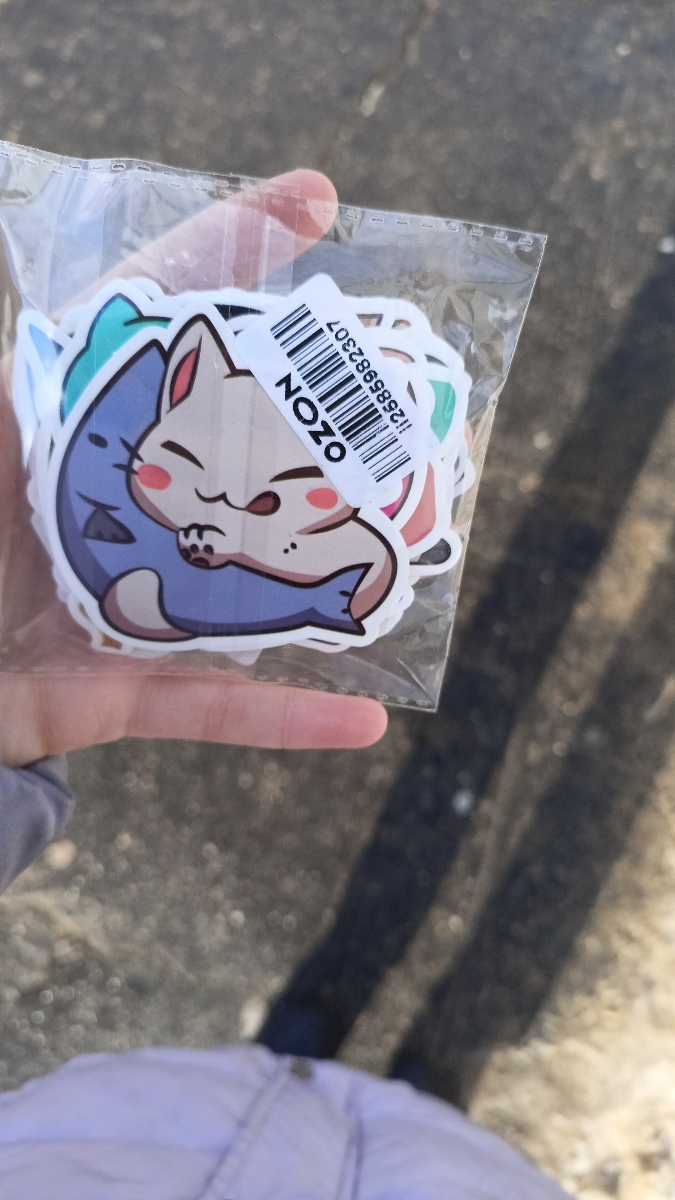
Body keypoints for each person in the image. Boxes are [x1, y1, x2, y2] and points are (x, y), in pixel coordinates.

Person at [0, 170, 570, 1198]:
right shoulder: (133, 455)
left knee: (220, 1091)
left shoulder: (327, 539)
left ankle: (291, 1067)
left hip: (110, 1145)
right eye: (180, 473)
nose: (217, 512)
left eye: (269, 504)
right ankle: (394, 1098)